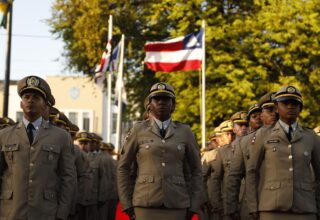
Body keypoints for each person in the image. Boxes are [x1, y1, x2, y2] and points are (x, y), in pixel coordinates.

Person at [117, 82, 203, 220]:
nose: (161, 102)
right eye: (157, 99)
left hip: (177, 203)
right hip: (145, 204)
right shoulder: (138, 130)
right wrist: (126, 203)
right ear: (150, 104)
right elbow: (123, 168)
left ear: (173, 105)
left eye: (166, 99)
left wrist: (194, 205)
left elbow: (197, 170)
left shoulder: (185, 131)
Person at [0, 75, 76, 220]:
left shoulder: (61, 137)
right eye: (26, 97)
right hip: (10, 212)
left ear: (45, 105)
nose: (30, 100)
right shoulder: (4, 136)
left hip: (46, 212)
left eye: (36, 97)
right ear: (21, 104)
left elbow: (68, 178)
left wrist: (62, 213)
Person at [246, 86, 320, 220]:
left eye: (295, 103)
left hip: (305, 209)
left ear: (301, 108)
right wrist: (253, 206)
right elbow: (252, 171)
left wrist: (317, 205)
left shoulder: (311, 136)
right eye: (285, 103)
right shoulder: (264, 134)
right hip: (272, 209)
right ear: (276, 107)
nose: (290, 106)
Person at [225, 93, 277, 220]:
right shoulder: (245, 142)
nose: (274, 114)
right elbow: (234, 177)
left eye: (276, 109)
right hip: (252, 206)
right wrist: (232, 208)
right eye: (269, 110)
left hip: (284, 205)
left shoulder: (293, 137)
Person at [210, 120, 234, 220]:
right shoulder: (219, 153)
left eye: (232, 133)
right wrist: (216, 204)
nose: (230, 137)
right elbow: (215, 180)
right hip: (226, 203)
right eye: (227, 134)